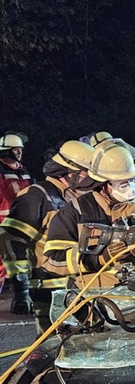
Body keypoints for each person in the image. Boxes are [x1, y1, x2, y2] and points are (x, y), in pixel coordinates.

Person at [44, 139, 135, 287]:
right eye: (122, 184)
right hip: (95, 301)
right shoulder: (76, 212)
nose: (130, 189)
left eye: (131, 181)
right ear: (103, 184)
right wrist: (100, 258)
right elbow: (53, 261)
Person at [0, 141, 94, 331]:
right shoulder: (37, 196)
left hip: (81, 285)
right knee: (53, 344)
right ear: (70, 173)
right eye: (87, 172)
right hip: (49, 289)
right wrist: (21, 288)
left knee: (87, 341)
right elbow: (12, 239)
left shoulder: (77, 198)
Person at [0, 132, 33, 294]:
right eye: (15, 149)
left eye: (20, 149)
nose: (19, 152)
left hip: (22, 223)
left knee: (20, 260)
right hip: (3, 223)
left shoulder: (23, 169)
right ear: (6, 151)